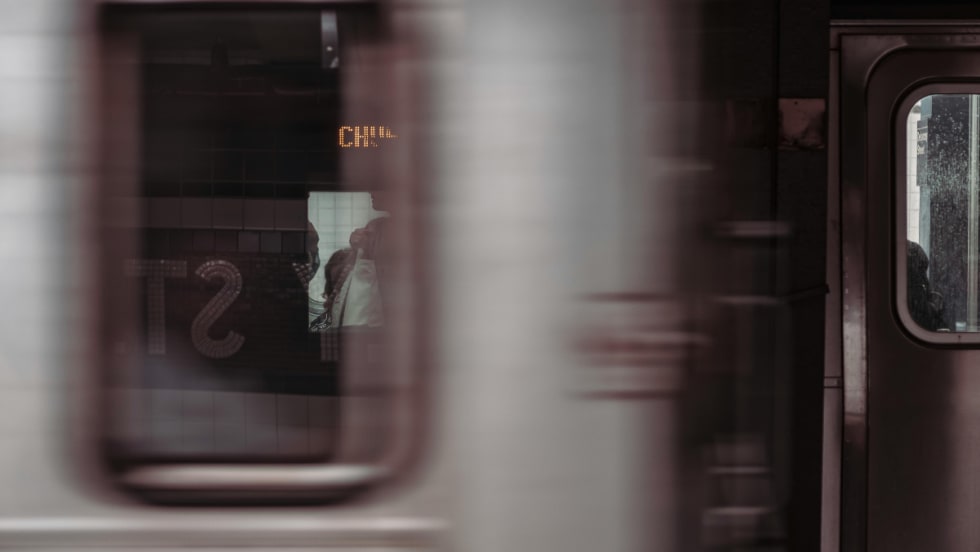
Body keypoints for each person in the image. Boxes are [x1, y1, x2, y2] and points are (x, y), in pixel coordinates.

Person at [907, 240, 947, 331]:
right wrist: (934, 309)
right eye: (921, 271)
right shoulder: (914, 292)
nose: (924, 278)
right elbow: (926, 321)